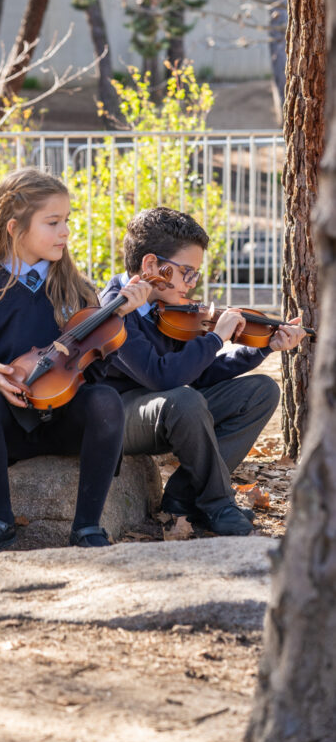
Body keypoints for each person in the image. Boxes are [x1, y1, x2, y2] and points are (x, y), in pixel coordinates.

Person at [0, 168, 150, 557]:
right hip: (7, 427)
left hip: (63, 423)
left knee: (106, 400)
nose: (65, 232)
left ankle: (87, 526)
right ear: (14, 227)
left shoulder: (76, 288)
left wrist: (118, 319)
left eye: (67, 221)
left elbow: (96, 371)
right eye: (53, 222)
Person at [98, 206, 306, 536]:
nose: (192, 285)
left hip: (169, 408)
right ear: (151, 264)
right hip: (118, 417)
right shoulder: (113, 308)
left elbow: (198, 374)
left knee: (261, 392)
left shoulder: (168, 310)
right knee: (184, 399)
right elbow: (162, 377)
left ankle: (182, 498)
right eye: (187, 272)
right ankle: (218, 503)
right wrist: (214, 337)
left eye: (195, 275)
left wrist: (264, 346)